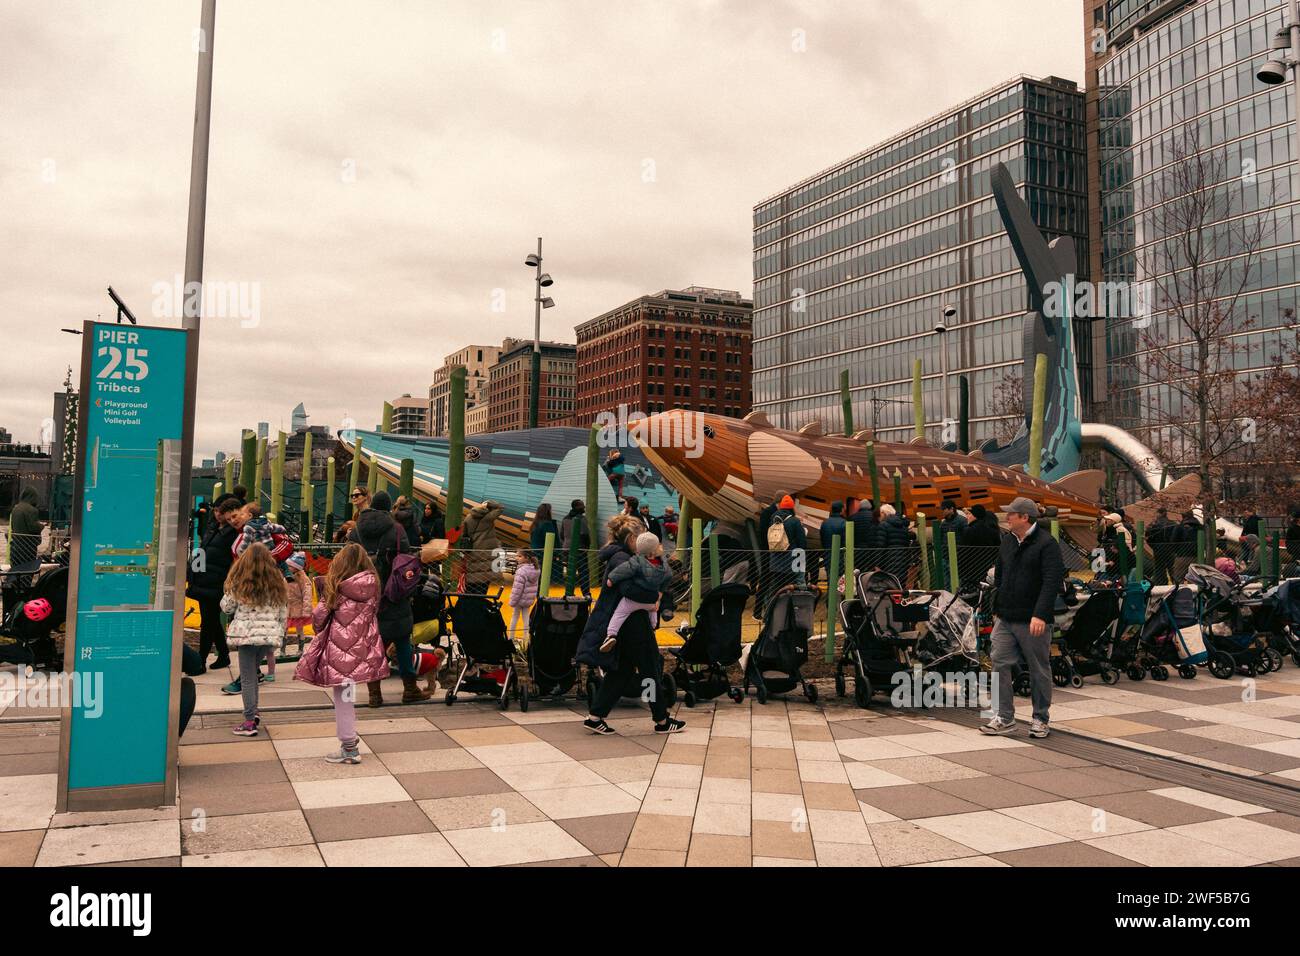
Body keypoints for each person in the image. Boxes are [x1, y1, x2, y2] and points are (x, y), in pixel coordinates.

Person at [577, 524, 684, 737]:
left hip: (629, 622)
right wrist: (655, 598)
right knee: (650, 668)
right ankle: (661, 719)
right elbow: (627, 590)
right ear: (632, 538)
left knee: (622, 670)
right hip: (633, 623)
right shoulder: (623, 559)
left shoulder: (623, 556)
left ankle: (595, 717)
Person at [293, 543, 391, 764]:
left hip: (339, 651)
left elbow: (318, 620)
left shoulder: (336, 588)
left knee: (343, 698)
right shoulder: (373, 585)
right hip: (362, 650)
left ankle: (349, 746)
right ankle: (349, 742)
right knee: (349, 695)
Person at [982, 497, 1065, 740]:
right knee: (999, 663)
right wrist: (997, 606)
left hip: (1033, 619)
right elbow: (1000, 575)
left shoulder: (1046, 544)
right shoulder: (1007, 541)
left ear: (1024, 517)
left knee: (1038, 667)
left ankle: (1040, 718)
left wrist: (1040, 614)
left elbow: (1051, 583)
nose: (1007, 517)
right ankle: (1004, 717)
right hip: (1006, 616)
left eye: (1011, 514)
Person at [348, 490, 428, 705]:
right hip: (394, 592)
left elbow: (349, 561)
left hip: (367, 593)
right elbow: (406, 558)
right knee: (402, 640)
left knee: (372, 645)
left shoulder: (356, 531)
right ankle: (409, 688)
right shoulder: (397, 528)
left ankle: (375, 694)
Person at [221, 543, 289, 736]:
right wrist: (280, 632)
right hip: (268, 636)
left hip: (246, 636)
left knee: (248, 678)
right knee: (252, 676)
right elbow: (283, 610)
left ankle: (249, 720)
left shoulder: (240, 581)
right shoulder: (278, 581)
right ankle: (254, 711)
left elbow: (226, 608)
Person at [187, 496, 240, 671]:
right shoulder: (213, 528)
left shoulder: (233, 532)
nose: (218, 514)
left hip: (217, 582)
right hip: (203, 580)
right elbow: (202, 552)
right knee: (211, 621)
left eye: (221, 511)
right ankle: (223, 654)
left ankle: (199, 661)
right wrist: (193, 574)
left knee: (208, 623)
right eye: (216, 510)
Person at [601, 532, 672, 653]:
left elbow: (623, 570)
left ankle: (611, 635)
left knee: (620, 613)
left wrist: (611, 579)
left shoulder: (637, 561)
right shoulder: (664, 566)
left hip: (633, 600)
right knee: (653, 611)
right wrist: (659, 594)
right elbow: (669, 577)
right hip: (651, 601)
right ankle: (652, 627)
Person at [4, 486, 42, 618]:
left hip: (16, 547)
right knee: (28, 574)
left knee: (17, 573)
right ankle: (24, 604)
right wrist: (41, 526)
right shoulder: (32, 510)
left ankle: (13, 605)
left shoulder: (16, 509)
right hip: (28, 547)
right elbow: (33, 527)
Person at [462, 500, 506, 594]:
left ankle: (470, 600)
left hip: (473, 551)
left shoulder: (468, 518)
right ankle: (481, 601)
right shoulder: (488, 518)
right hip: (486, 552)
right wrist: (489, 503)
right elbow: (501, 508)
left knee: (473, 578)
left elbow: (464, 535)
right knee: (484, 579)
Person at [281, 551, 315, 667]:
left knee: (299, 629)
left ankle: (300, 649)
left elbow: (307, 595)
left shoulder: (303, 579)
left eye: (290, 566)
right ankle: (282, 650)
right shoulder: (286, 576)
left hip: (298, 608)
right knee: (284, 628)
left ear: (296, 567)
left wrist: (306, 610)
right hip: (288, 607)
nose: (288, 567)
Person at [959, 503, 1001, 588]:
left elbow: (963, 550)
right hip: (987, 565)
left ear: (975, 515)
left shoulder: (970, 530)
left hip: (970, 567)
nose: (967, 516)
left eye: (970, 514)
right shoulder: (992, 529)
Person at [559, 499, 592, 595]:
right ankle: (586, 594)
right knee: (584, 573)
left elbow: (562, 534)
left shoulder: (565, 518)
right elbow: (585, 535)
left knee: (570, 572)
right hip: (579, 550)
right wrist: (587, 548)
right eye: (582, 505)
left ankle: (569, 593)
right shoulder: (582, 519)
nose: (584, 507)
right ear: (577, 507)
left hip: (566, 549)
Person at [878, 503, 913, 582]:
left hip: (888, 560)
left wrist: (877, 564)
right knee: (901, 583)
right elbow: (907, 544)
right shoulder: (903, 526)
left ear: (884, 513)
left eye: (880, 513)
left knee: (889, 584)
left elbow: (881, 545)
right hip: (903, 559)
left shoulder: (883, 525)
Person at [509, 549, 540, 638]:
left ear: (526, 558)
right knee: (526, 617)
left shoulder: (521, 571)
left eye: (519, 556)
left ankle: (511, 637)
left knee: (515, 617)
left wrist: (513, 602)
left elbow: (517, 589)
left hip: (519, 599)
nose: (516, 558)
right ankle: (526, 637)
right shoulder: (536, 569)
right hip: (529, 599)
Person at [937, 500, 967, 586]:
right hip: (946, 556)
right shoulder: (944, 523)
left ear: (951, 509)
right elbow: (940, 538)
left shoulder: (962, 521)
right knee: (947, 580)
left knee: (957, 579)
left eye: (944, 509)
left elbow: (965, 537)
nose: (942, 511)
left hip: (958, 556)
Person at [819, 501, 847, 589]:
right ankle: (841, 601)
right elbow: (846, 541)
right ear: (842, 510)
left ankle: (829, 600)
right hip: (841, 556)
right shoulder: (844, 523)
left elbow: (822, 539)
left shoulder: (825, 523)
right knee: (841, 581)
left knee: (830, 581)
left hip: (828, 554)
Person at [1147, 507, 1176, 585]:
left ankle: (1161, 584)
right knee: (1172, 567)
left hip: (1158, 549)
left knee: (1159, 569)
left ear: (1159, 513)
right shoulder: (1173, 524)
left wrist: (1154, 546)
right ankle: (1174, 582)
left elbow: (1148, 538)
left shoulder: (1153, 525)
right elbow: (1177, 537)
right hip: (1171, 549)